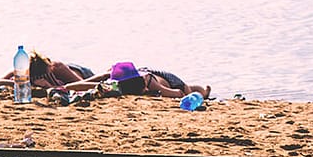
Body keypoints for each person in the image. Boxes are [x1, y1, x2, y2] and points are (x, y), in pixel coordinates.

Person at [61, 62, 210, 99]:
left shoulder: (149, 81)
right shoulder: (115, 84)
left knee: (189, 89)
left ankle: (204, 91)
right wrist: (98, 82)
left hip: (166, 79)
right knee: (105, 74)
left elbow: (178, 92)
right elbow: (72, 86)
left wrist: (158, 92)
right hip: (129, 74)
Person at [0, 50, 90, 92]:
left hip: (80, 72)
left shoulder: (56, 67)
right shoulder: (20, 73)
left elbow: (83, 85)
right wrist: (17, 83)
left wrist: (51, 86)